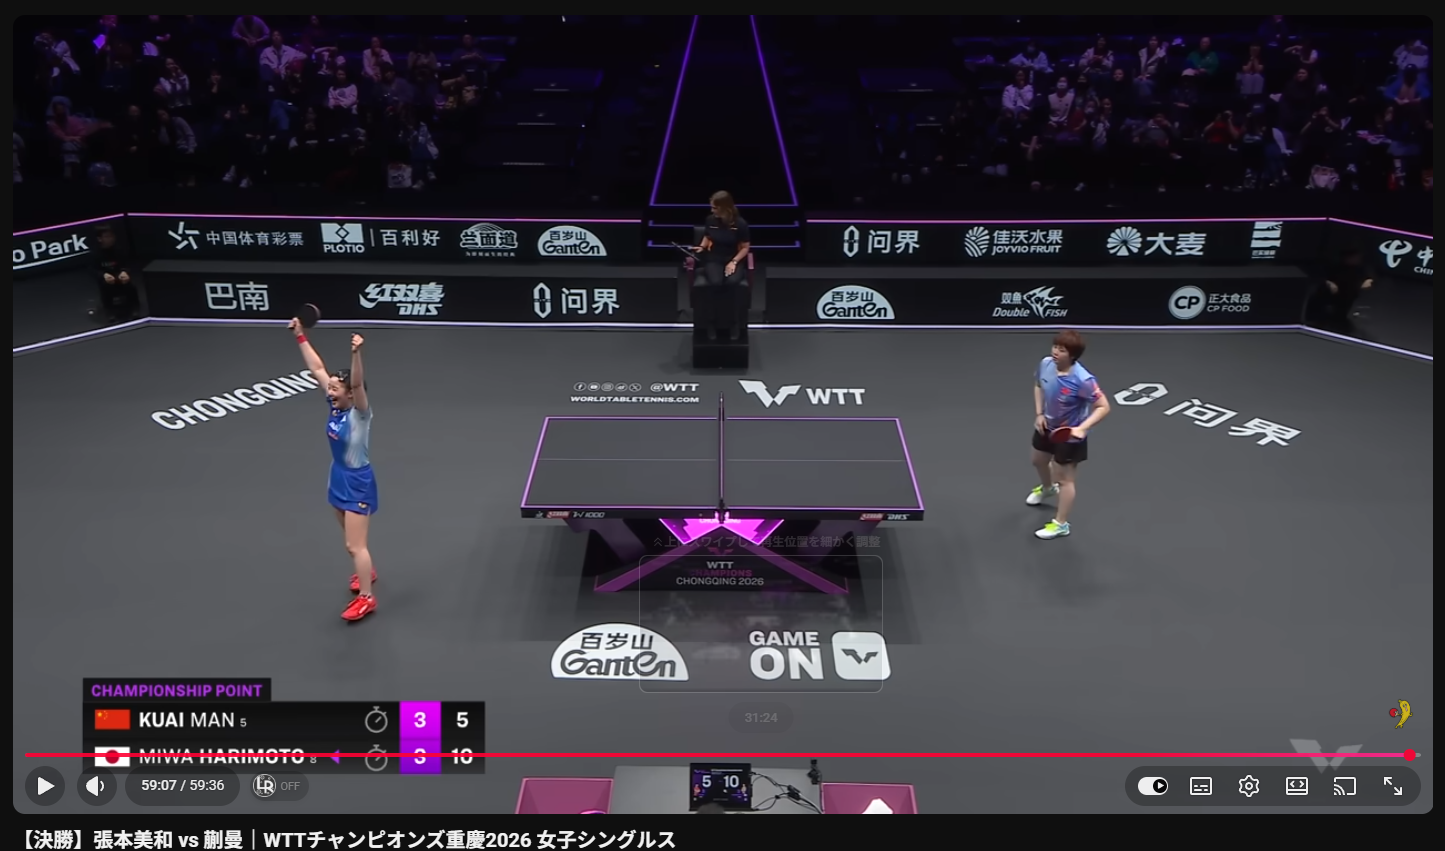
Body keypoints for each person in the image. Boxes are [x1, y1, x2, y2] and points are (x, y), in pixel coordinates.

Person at [289, 322, 380, 622]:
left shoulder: (359, 415)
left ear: (350, 394)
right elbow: (317, 367)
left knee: (355, 545)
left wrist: (356, 353)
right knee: (351, 538)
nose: (329, 390)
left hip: (357, 481)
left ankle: (366, 598)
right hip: (338, 475)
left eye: (335, 388)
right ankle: (366, 570)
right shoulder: (335, 406)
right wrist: (300, 336)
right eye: (329, 387)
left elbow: (358, 384)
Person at [1026, 330, 1110, 540]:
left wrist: (1082, 428)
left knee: (1065, 480)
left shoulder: (1083, 380)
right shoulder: (1045, 364)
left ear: (1072, 355)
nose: (1055, 352)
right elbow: (1038, 385)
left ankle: (1061, 524)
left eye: (1062, 350)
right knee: (1038, 460)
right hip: (1047, 424)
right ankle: (1047, 488)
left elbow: (1103, 406)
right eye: (1055, 347)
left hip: (1069, 434)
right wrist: (1039, 413)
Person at [690, 190, 751, 341]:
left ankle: (734, 323)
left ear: (725, 208)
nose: (712, 210)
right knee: (715, 283)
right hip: (714, 258)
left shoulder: (740, 223)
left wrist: (734, 262)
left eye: (715, 208)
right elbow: (707, 236)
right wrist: (702, 247)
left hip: (733, 257)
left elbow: (745, 248)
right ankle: (711, 322)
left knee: (731, 282)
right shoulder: (710, 220)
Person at [1311, 247, 1373, 334]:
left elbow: (1371, 277)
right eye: (1355, 257)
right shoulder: (1335, 267)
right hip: (1332, 295)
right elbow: (1321, 277)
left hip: (1349, 296)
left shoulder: (1360, 268)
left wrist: (1368, 280)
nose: (1358, 259)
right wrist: (1329, 283)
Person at [94, 225, 137, 322]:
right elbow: (92, 270)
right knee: (105, 287)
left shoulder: (120, 250)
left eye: (111, 236)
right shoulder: (95, 254)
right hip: (106, 279)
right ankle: (109, 311)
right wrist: (103, 275)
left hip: (120, 276)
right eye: (107, 236)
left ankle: (134, 308)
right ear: (100, 239)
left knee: (130, 286)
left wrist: (125, 271)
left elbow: (127, 263)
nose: (111, 238)